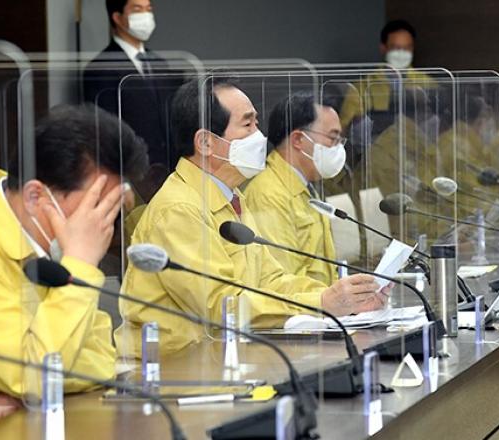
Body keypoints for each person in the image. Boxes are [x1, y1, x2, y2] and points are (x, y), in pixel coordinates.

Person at [116, 78, 388, 357]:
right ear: (206, 142)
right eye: (247, 125)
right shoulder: (179, 209)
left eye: (257, 123)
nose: (260, 136)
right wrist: (320, 302)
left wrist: (343, 298)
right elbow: (220, 306)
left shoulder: (230, 196)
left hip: (223, 355)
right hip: (174, 365)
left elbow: (271, 280)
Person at [0, 105, 148, 425]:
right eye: (96, 205)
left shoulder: (49, 242)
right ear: (35, 197)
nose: (102, 223)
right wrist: (80, 261)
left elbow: (102, 359)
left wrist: (27, 387)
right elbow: (37, 373)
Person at [244, 92, 345, 285]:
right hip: (303, 303)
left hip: (321, 299)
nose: (338, 147)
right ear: (298, 139)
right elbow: (282, 281)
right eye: (333, 138)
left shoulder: (304, 185)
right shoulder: (269, 194)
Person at [83, 0, 176, 194]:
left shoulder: (160, 63)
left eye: (148, 9)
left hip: (168, 173)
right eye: (137, 9)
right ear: (117, 17)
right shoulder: (101, 67)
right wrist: (121, 180)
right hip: (132, 176)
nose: (146, 15)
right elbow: (104, 131)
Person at [337, 20, 436, 133]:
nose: (401, 53)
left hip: (417, 142)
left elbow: (439, 125)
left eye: (407, 48)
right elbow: (343, 128)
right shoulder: (361, 87)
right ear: (383, 48)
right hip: (376, 143)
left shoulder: (427, 82)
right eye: (396, 47)